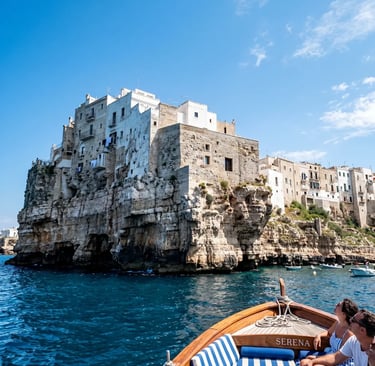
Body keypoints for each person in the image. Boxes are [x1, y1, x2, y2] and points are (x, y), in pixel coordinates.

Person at [300, 310, 375, 366]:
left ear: (362, 330)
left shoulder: (373, 352)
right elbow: (336, 357)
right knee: (306, 363)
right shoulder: (353, 341)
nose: (350, 321)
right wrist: (313, 361)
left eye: (353, 320)